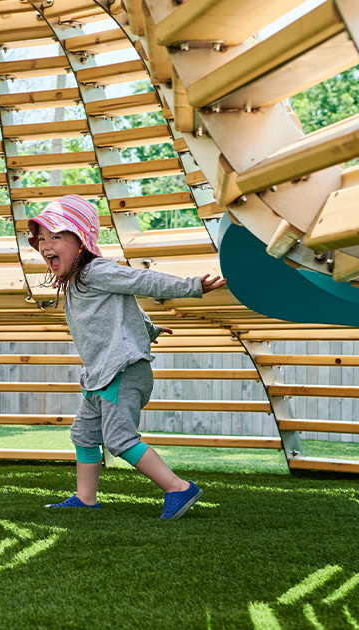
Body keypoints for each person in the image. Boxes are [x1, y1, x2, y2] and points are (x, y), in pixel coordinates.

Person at [28, 194, 227, 520]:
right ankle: (86, 498)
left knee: (120, 439)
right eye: (42, 239)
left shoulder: (95, 271)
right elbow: (118, 316)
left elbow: (142, 280)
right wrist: (148, 328)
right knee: (83, 436)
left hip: (122, 372)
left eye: (56, 236)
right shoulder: (77, 281)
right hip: (99, 376)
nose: (46, 245)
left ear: (80, 240)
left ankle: (178, 487)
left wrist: (194, 287)